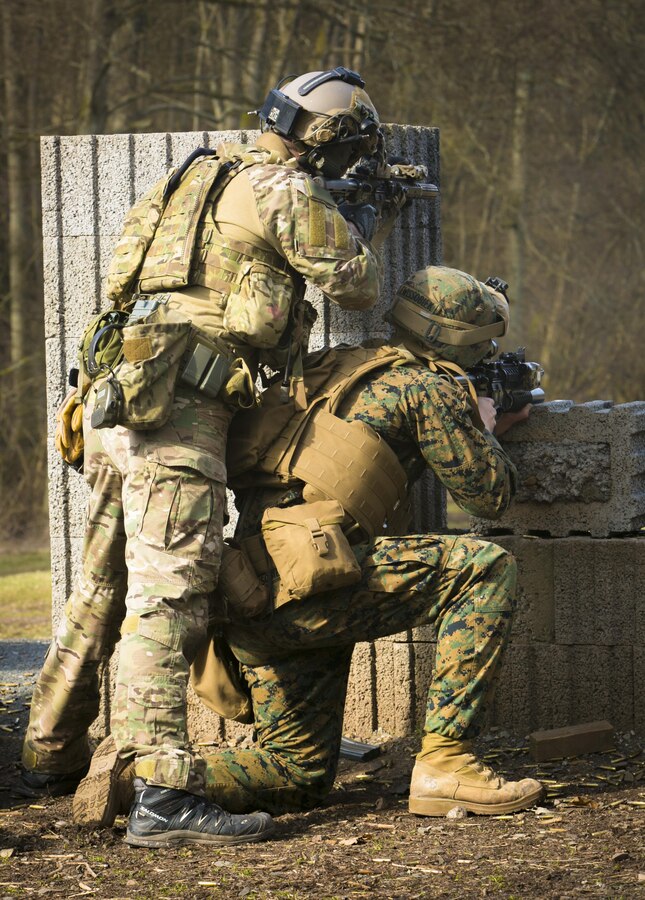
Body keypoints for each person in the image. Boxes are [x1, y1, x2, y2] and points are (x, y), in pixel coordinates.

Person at [21, 66, 388, 849]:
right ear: (325, 141)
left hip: (119, 401)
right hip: (179, 415)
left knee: (105, 582)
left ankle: (49, 751)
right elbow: (357, 285)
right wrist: (355, 219)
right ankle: (161, 794)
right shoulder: (286, 191)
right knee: (174, 597)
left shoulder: (191, 178)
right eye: (343, 152)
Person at [76, 265, 543, 827]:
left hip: (252, 592)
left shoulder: (333, 365)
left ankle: (144, 782)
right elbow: (488, 494)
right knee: (484, 568)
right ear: (463, 340)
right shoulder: (429, 386)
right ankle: (448, 765)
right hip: (314, 583)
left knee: (297, 774)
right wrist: (484, 426)